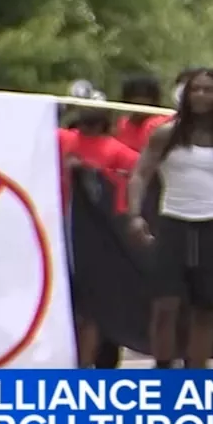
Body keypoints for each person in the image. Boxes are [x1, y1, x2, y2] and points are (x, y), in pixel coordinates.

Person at [126, 69, 213, 369]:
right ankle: (163, 371)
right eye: (195, 89)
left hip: (211, 227)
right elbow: (140, 174)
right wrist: (135, 215)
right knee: (165, 306)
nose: (201, 95)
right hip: (173, 224)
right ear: (186, 95)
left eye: (208, 90)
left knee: (205, 311)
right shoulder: (167, 134)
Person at [60, 104, 140, 367]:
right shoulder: (64, 139)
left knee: (93, 307)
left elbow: (132, 185)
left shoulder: (118, 152)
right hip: (60, 231)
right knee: (72, 306)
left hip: (99, 237)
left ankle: (86, 366)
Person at [114, 74, 169, 153]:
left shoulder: (160, 124)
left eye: (145, 98)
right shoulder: (122, 124)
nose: (139, 100)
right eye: (134, 98)